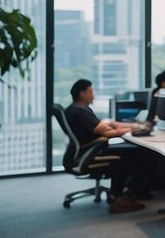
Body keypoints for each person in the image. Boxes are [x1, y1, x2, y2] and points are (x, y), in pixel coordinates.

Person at [64, 79, 151, 213]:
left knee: (131, 151)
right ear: (82, 94)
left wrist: (130, 126)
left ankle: (126, 193)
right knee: (131, 156)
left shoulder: (74, 108)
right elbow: (107, 133)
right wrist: (133, 130)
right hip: (91, 151)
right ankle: (117, 199)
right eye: (91, 92)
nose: (93, 95)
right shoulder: (81, 112)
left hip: (88, 148)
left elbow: (103, 125)